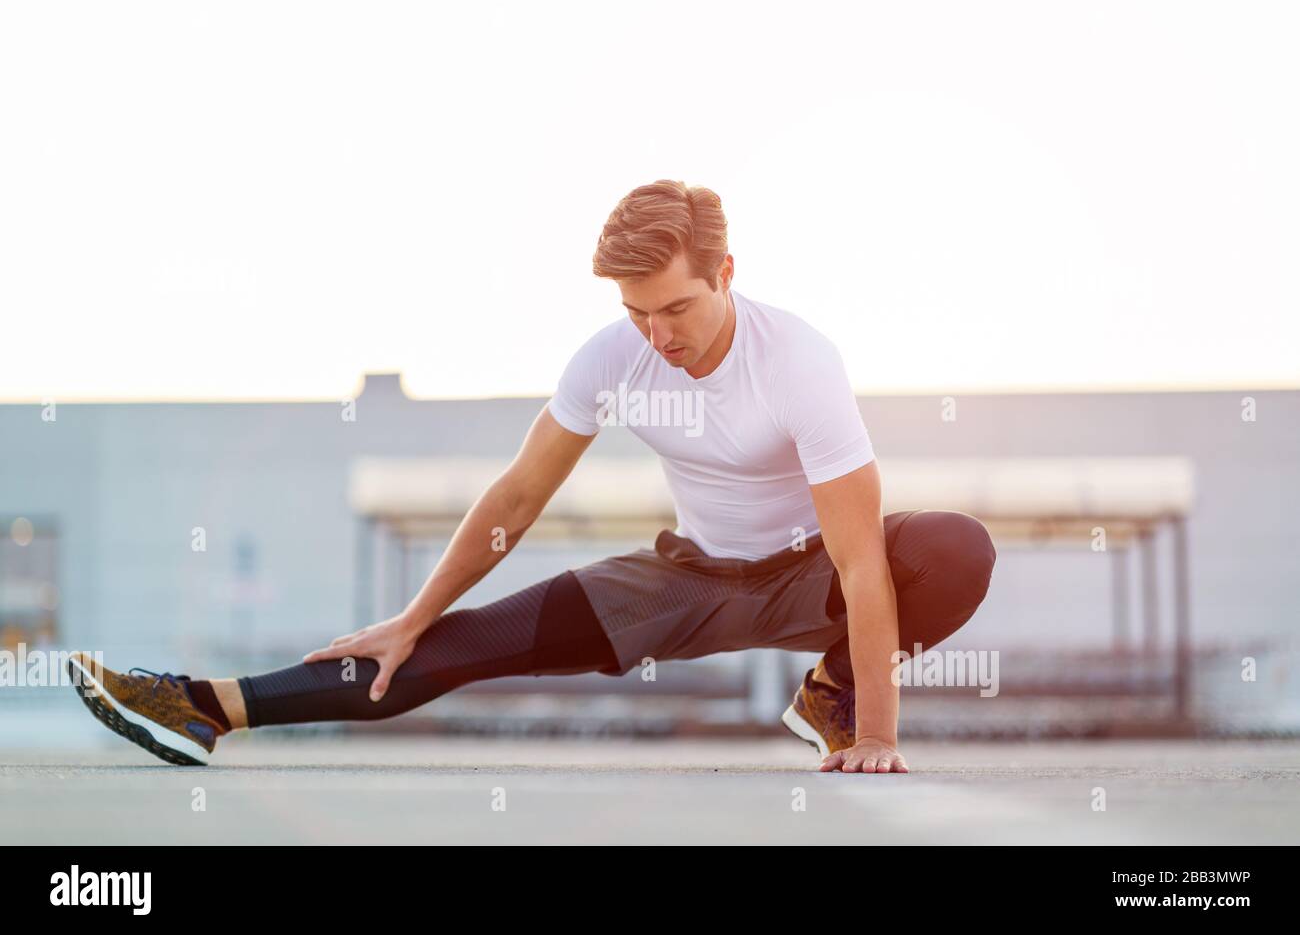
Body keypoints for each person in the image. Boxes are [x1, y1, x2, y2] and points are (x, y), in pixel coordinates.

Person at [68, 179, 996, 773]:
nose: (660, 335)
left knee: (952, 548)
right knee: (457, 643)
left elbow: (863, 564)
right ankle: (205, 707)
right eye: (639, 314)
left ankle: (825, 697)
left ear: (726, 273)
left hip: (810, 574)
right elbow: (516, 499)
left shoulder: (799, 361)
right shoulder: (610, 358)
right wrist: (414, 614)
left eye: (677, 307)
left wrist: (876, 732)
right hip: (684, 580)